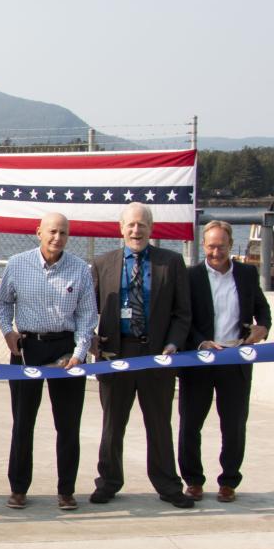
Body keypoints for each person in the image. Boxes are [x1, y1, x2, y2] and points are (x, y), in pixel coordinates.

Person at [90, 202, 195, 508]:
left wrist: (174, 343)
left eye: (142, 225)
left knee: (159, 424)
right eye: (131, 225)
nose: (136, 231)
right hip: (115, 354)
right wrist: (91, 339)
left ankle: (168, 485)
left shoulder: (171, 263)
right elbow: (87, 309)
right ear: (121, 229)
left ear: (152, 228)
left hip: (156, 355)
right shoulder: (102, 263)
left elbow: (182, 313)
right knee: (113, 425)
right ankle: (108, 482)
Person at [0, 212, 98, 510]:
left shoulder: (79, 269)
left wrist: (79, 353)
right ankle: (18, 488)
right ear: (38, 232)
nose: (57, 238)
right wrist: (7, 332)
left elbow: (87, 316)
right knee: (23, 423)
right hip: (28, 349)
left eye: (63, 233)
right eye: (52, 232)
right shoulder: (17, 264)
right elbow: (3, 305)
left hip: (66, 351)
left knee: (67, 426)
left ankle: (66, 490)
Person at [178, 220, 271, 503]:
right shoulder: (190, 276)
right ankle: (193, 481)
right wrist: (200, 342)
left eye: (220, 246)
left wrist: (262, 328)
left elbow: (262, 310)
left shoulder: (246, 274)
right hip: (199, 361)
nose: (215, 252)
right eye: (210, 246)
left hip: (235, 360)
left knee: (233, 424)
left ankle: (229, 481)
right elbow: (183, 317)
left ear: (231, 245)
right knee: (190, 424)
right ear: (203, 245)